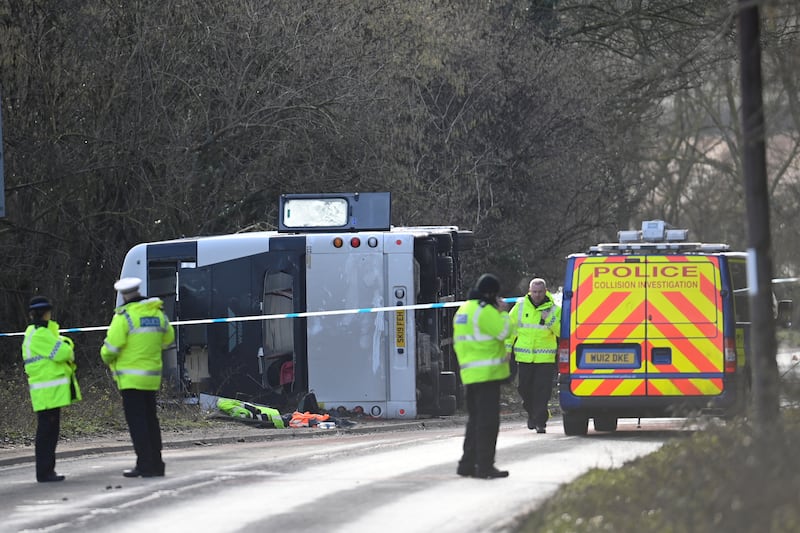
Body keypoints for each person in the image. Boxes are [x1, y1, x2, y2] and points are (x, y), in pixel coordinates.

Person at [100, 277, 175, 478]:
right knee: (151, 420)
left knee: (138, 423)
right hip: (151, 378)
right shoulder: (157, 313)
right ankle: (157, 464)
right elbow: (169, 339)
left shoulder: (124, 317)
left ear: (124, 295)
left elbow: (110, 350)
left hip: (131, 381)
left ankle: (144, 465)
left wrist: (107, 355)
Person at [453, 273, 514, 479]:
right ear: (491, 293)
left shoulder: (464, 309)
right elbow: (504, 332)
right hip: (487, 375)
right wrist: (504, 313)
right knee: (488, 423)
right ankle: (485, 466)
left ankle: (467, 464)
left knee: (475, 421)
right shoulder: (484, 310)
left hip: (470, 374)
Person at [21, 296, 82, 482]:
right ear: (46, 313)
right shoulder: (41, 334)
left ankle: (46, 471)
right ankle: (45, 472)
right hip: (48, 391)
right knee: (47, 433)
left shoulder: (35, 332)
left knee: (48, 432)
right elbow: (65, 352)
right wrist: (66, 346)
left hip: (46, 391)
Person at [506, 278, 561, 433]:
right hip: (524, 359)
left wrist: (548, 319)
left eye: (540, 292)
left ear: (545, 291)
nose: (537, 295)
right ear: (529, 291)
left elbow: (561, 331)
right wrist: (507, 349)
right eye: (534, 292)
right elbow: (510, 329)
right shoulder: (520, 307)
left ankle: (540, 422)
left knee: (542, 392)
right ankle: (532, 414)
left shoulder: (554, 310)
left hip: (545, 359)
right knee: (524, 389)